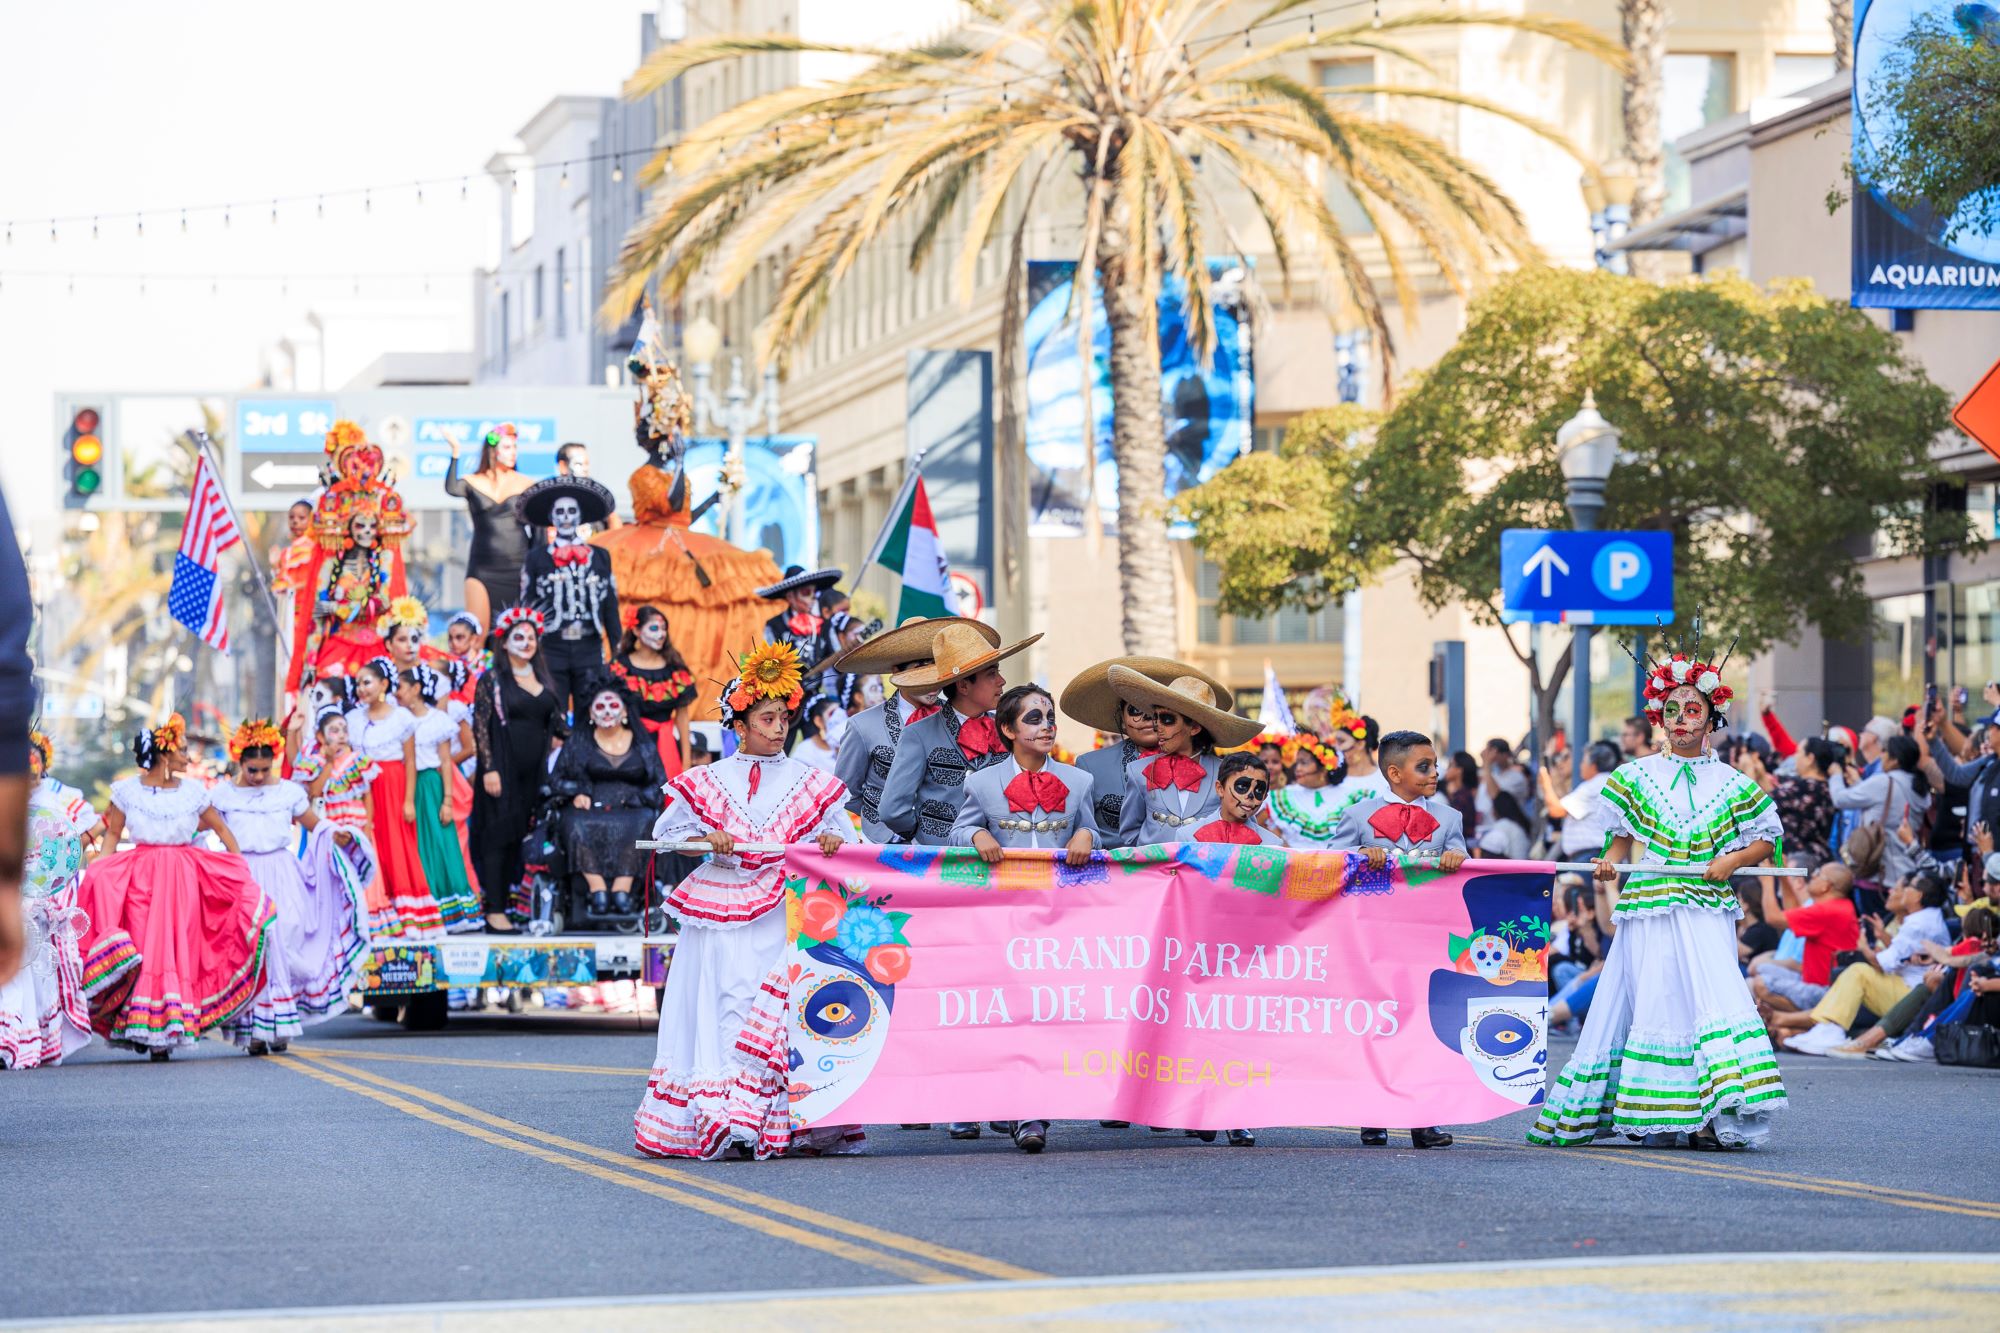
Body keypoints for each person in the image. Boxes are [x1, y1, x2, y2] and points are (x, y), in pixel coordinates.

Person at [1528, 642, 1787, 1150]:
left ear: (1713, 718)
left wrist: (1731, 862)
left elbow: (1766, 837)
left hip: (1706, 904)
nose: (1681, 720)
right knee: (1658, 996)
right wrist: (1609, 863)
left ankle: (1712, 1114)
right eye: (1672, 710)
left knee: (1710, 996)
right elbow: (1620, 841)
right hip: (1648, 901)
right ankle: (1665, 1114)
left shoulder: (1734, 783)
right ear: (1659, 717)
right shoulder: (1633, 775)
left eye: (1693, 710)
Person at [633, 642, 855, 1160]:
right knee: (723, 1005)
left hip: (783, 911)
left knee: (775, 1012)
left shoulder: (811, 781)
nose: (779, 727)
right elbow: (667, 835)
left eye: (783, 717)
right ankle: (725, 1118)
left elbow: (849, 843)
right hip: (722, 908)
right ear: (741, 723)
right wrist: (707, 841)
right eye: (767, 717)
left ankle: (783, 1121)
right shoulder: (708, 780)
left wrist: (831, 844)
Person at [948, 684, 1100, 1153]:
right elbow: (956, 830)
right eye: (1034, 719)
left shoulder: (1079, 782)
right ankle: (995, 1103)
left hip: (1058, 917)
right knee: (1003, 1012)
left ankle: (1034, 1113)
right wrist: (975, 835)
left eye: (1050, 717)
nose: (1047, 726)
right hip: (1001, 916)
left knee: (1047, 1013)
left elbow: (1094, 830)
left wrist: (1087, 836)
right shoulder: (981, 782)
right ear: (1009, 730)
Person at [74, 716, 275, 1059]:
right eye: (182, 750)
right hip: (141, 875)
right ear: (165, 757)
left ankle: (166, 1031)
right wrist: (101, 871)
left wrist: (239, 869)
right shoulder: (127, 791)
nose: (187, 757)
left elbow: (224, 833)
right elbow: (111, 833)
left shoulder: (194, 793)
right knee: (143, 949)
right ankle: (144, 1028)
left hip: (183, 877)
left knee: (178, 948)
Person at [1326, 730, 1464, 1149]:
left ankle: (1424, 1118)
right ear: (1393, 772)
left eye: (1435, 764)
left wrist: (1458, 858)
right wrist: (1356, 857)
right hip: (1372, 938)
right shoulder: (1359, 814)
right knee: (1377, 1023)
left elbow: (1466, 866)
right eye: (1424, 766)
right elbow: (1329, 863)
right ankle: (1374, 1113)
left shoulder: (1450, 818)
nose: (1434, 772)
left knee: (1422, 1023)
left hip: (1425, 936)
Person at [210, 720, 368, 1054]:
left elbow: (314, 822)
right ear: (240, 761)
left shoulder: (287, 793)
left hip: (282, 872)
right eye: (252, 769)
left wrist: (334, 832)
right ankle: (254, 1029)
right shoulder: (222, 795)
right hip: (243, 874)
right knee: (251, 949)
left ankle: (280, 1023)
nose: (258, 776)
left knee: (283, 940)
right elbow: (200, 828)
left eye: (265, 769)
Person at [828, 617, 1001, 843]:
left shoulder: (965, 718)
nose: (931, 677)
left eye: (936, 666)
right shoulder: (863, 725)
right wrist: (883, 828)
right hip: (883, 845)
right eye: (921, 667)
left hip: (950, 844)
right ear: (897, 672)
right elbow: (845, 793)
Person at [880, 624, 1043, 846]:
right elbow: (892, 810)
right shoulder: (918, 734)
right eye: (992, 674)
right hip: (942, 861)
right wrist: (929, 833)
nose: (1001, 681)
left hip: (1005, 856)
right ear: (964, 685)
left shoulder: (1010, 728)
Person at [289, 421, 414, 693]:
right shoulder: (332, 564)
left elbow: (382, 601)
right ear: (349, 527)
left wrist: (338, 608)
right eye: (360, 526)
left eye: (372, 526)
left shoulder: (383, 561)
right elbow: (317, 615)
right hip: (337, 648)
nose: (367, 532)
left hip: (376, 650)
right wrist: (309, 664)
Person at [0, 733, 101, 1069]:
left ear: (43, 765)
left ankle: (29, 1039)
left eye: (33, 767)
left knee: (37, 968)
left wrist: (59, 865)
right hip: (8, 888)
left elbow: (88, 832)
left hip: (45, 897)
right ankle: (11, 1038)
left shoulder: (62, 798)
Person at [1778, 873, 1954, 1054]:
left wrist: (1864, 948)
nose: (1902, 891)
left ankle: (1831, 1029)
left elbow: (1881, 964)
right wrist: (1882, 937)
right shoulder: (1927, 918)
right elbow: (1906, 957)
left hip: (1911, 992)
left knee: (1859, 972)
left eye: (1910, 887)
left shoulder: (1918, 923)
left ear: (1918, 896)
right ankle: (1826, 1027)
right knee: (1855, 972)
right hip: (1907, 984)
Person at [471, 607, 566, 934]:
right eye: (519, 637)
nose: (526, 643)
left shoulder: (543, 678)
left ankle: (514, 905)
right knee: (497, 838)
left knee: (521, 841)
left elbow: (557, 725)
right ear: (505, 642)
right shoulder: (493, 679)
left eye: (531, 637)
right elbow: (480, 726)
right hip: (501, 771)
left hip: (535, 776)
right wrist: (489, 769)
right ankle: (494, 909)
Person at [1059, 656, 1225, 841]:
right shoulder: (1091, 766)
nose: (1150, 720)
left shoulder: (1218, 769)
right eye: (1136, 710)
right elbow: (1076, 826)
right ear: (1121, 719)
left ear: (1194, 727)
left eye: (1164, 716)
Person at [1106, 668, 1260, 849]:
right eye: (1156, 718)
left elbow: (1246, 832)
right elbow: (1129, 834)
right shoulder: (1138, 771)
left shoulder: (1226, 775)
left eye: (1167, 720)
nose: (1158, 727)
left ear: (1194, 727)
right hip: (1156, 873)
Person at [551, 679, 667, 918]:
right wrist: (576, 791)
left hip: (633, 808)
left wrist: (641, 797)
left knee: (645, 820)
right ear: (591, 713)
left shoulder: (642, 743)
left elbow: (660, 783)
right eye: (600, 706)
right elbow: (556, 780)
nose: (606, 711)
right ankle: (597, 889)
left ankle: (622, 890)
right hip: (589, 807)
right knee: (572, 822)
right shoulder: (578, 742)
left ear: (624, 711)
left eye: (612, 705)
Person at [347, 657, 442, 939]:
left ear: (383, 684)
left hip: (393, 785)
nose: (361, 689)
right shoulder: (353, 719)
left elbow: (410, 761)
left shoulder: (402, 718)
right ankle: (377, 911)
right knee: (370, 844)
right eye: (358, 684)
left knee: (397, 845)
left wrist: (409, 800)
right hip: (363, 789)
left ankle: (408, 916)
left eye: (367, 682)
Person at [518, 474, 623, 720]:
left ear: (579, 516)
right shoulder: (536, 557)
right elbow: (527, 604)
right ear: (552, 517)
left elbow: (610, 604)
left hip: (590, 643)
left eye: (571, 511)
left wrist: (617, 647)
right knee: (555, 710)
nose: (566, 517)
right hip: (552, 645)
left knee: (591, 708)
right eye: (560, 512)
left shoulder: (599, 556)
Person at [396, 666, 480, 934]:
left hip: (431, 785)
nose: (396, 694)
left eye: (401, 687)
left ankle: (452, 909)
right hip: (406, 785)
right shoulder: (398, 719)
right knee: (415, 845)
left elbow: (445, 763)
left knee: (441, 843)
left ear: (416, 689)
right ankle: (423, 907)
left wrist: (447, 800)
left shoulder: (437, 721)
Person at [294, 709, 392, 938]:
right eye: (334, 730)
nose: (341, 735)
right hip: (332, 823)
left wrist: (368, 826)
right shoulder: (316, 761)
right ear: (321, 736)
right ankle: (342, 922)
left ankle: (370, 921)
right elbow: (315, 791)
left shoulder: (358, 760)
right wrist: (328, 762)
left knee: (363, 867)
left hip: (356, 821)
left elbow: (367, 794)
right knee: (336, 872)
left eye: (344, 729)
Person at [443, 423, 533, 639]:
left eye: (514, 447)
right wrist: (456, 452)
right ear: (493, 450)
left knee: (515, 632)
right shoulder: (474, 481)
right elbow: (452, 488)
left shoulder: (526, 484)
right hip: (483, 567)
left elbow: (538, 531)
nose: (513, 453)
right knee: (478, 632)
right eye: (507, 447)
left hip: (517, 567)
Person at [1747, 862, 1858, 1020]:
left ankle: (1801, 1021)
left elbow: (1773, 918)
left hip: (1823, 990)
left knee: (1760, 984)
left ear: (1826, 886)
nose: (1813, 876)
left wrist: (1767, 881)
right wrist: (1782, 875)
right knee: (1760, 970)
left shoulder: (1828, 911)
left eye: (1818, 873)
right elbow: (1792, 912)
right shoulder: (1836, 906)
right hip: (1812, 980)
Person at [1829, 733, 1931, 888]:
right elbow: (1885, 804)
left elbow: (1840, 799)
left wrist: (1835, 775)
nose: (1881, 756)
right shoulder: (1918, 785)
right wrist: (1858, 783)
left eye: (1885, 751)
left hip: (1880, 873)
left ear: (1895, 759)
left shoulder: (1884, 782)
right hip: (1907, 869)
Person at [610, 605, 698, 777]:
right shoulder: (620, 667)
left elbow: (682, 717)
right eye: (654, 628)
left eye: (664, 628)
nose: (661, 634)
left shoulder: (674, 669)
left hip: (665, 746)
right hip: (629, 745)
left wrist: (686, 762)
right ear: (636, 630)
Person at [1740, 735, 1839, 870]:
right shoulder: (1825, 788)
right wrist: (1762, 776)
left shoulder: (1802, 787)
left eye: (1799, 753)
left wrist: (1749, 772)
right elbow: (1777, 798)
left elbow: (1758, 805)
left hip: (1796, 863)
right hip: (1817, 859)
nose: (1795, 757)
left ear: (1810, 759)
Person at [757, 565, 845, 683]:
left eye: (815, 591)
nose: (813, 597)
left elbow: (839, 662)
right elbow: (769, 666)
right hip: (786, 692)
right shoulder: (774, 626)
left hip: (819, 692)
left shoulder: (825, 625)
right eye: (806, 592)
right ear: (790, 597)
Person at [1538, 740, 1620, 862]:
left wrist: (1545, 781)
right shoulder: (1605, 781)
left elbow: (1556, 810)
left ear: (1593, 765)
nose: (1580, 765)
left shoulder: (1596, 784)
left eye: (1583, 762)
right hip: (1594, 854)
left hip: (1591, 854)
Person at [1264, 737, 1347, 851]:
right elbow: (1267, 833)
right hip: (1293, 864)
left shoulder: (1348, 795)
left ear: (1323, 768)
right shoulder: (1280, 797)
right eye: (1297, 763)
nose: (1298, 768)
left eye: (1304, 763)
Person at [1192, 752, 1283, 847]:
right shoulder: (1189, 837)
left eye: (1259, 790)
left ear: (1264, 797)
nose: (1250, 796)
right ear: (1220, 789)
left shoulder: (1272, 845)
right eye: (1242, 786)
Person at [550, 443, 622, 537]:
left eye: (587, 464)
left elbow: (615, 524)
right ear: (563, 466)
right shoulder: (549, 498)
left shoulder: (597, 495)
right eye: (579, 464)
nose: (585, 469)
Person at [792, 695, 843, 776]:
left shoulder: (838, 745)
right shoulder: (804, 753)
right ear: (818, 721)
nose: (840, 717)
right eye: (832, 713)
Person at [1475, 790, 1532, 860]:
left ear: (1497, 809)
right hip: (1522, 865)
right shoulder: (1516, 825)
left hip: (1515, 867)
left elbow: (1486, 850)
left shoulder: (1503, 824)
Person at [444, 612, 486, 707]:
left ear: (473, 639)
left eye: (459, 637)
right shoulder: (446, 661)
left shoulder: (489, 660)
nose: (453, 642)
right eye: (450, 638)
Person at [1440, 751, 1481, 837]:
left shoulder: (1463, 797)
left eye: (1450, 765)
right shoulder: (1459, 793)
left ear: (1459, 770)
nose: (1447, 769)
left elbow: (1452, 826)